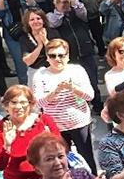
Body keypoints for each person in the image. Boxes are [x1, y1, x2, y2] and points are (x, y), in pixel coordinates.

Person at [32, 39, 97, 172]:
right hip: (56, 126)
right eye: (53, 56)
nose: (57, 59)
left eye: (61, 55)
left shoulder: (77, 70)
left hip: (79, 123)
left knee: (87, 158)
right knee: (62, 161)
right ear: (47, 58)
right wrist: (55, 92)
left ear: (67, 56)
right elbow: (38, 103)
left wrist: (73, 88)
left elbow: (90, 96)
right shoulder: (40, 75)